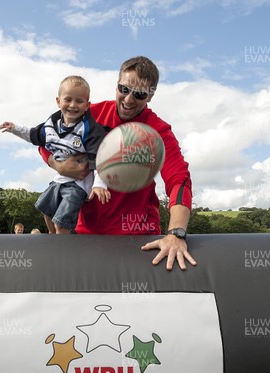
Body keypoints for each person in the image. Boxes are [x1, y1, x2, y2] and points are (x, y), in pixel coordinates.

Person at [39, 56, 196, 271]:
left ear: (150, 95)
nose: (129, 100)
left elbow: (179, 180)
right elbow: (46, 137)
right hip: (87, 234)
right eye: (124, 89)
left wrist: (176, 233)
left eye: (139, 94)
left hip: (137, 238)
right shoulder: (89, 113)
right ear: (117, 85)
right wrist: (57, 165)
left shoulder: (158, 131)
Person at [0, 76, 111, 234]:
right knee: (45, 208)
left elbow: (101, 157)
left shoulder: (89, 129)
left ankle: (61, 245)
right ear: (58, 101)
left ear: (87, 106)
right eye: (68, 100)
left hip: (78, 185)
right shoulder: (51, 125)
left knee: (61, 222)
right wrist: (14, 128)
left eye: (79, 101)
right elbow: (33, 135)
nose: (73, 105)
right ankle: (53, 238)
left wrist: (99, 184)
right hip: (59, 179)